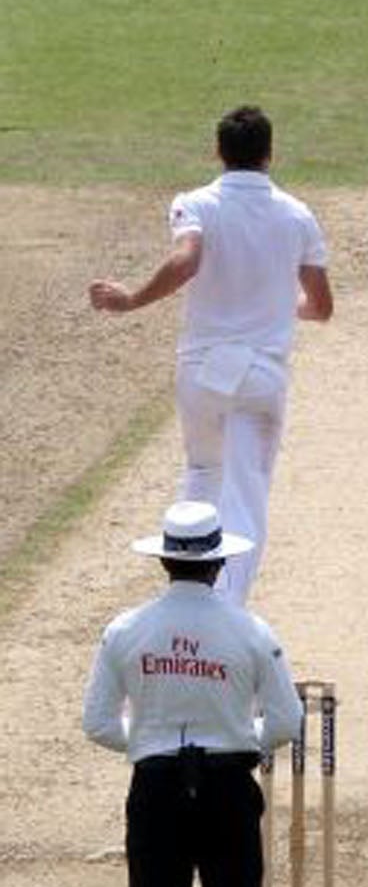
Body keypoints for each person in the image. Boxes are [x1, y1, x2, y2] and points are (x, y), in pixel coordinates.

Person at [82, 500, 306, 887]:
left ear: (163, 561)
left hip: (155, 793)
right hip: (229, 791)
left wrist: (154, 745)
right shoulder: (249, 630)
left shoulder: (127, 630)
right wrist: (239, 741)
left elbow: (97, 723)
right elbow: (287, 720)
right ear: (217, 565)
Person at [87, 106, 334, 605]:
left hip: (202, 374)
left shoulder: (195, 203)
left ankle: (182, 600)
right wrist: (278, 307)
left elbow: (188, 258)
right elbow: (321, 306)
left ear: (219, 152)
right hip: (261, 376)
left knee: (202, 474)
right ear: (270, 153)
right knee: (246, 495)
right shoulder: (297, 213)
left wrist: (133, 298)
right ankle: (223, 613)